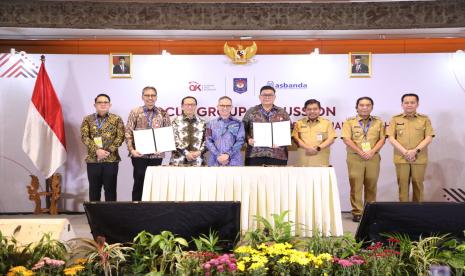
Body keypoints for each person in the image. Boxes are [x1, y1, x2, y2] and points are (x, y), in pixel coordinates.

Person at [342, 97, 385, 222]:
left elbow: (382, 139)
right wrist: (360, 151)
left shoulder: (379, 122)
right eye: (361, 105)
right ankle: (358, 212)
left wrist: (372, 151)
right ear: (357, 107)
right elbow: (347, 139)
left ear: (372, 107)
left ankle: (370, 211)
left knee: (371, 184)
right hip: (355, 157)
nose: (364, 107)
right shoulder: (349, 122)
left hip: (373, 157)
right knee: (356, 185)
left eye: (368, 105)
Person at [125, 86, 171, 201]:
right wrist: (131, 150)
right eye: (147, 95)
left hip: (157, 154)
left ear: (156, 97)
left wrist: (163, 147)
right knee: (139, 181)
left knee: (155, 184)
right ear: (142, 97)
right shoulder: (135, 112)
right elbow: (128, 132)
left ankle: (153, 211)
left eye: (153, 95)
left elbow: (168, 132)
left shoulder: (163, 112)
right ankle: (136, 209)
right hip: (139, 154)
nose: (150, 98)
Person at [387, 93, 434, 202]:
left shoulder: (424, 119)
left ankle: (417, 212)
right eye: (406, 102)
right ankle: (404, 212)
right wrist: (405, 152)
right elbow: (391, 138)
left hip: (419, 158)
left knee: (418, 185)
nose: (409, 105)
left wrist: (415, 151)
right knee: (402, 186)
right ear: (402, 104)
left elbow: (429, 137)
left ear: (417, 104)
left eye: (412, 102)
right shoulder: (395, 119)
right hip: (401, 158)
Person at [80, 93, 125, 201]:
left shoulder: (116, 119)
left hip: (111, 160)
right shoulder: (88, 119)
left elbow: (120, 137)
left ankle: (111, 216)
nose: (103, 104)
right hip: (93, 160)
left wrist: (107, 151)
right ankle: (95, 217)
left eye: (106, 102)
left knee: (110, 190)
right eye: (100, 102)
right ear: (95, 105)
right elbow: (84, 137)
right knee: (94, 191)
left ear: (110, 105)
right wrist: (97, 150)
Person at [242, 85, 291, 166]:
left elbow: (290, 129)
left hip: (277, 154)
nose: (267, 97)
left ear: (274, 97)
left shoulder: (282, 112)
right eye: (264, 95)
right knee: (253, 178)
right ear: (260, 97)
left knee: (276, 178)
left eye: (270, 95)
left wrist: (282, 141)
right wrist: (248, 139)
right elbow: (242, 129)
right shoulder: (251, 112)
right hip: (254, 155)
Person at [292, 99, 336, 167]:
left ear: (320, 109)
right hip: (303, 161)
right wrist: (307, 148)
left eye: (315, 109)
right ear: (305, 110)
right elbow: (296, 138)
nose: (312, 111)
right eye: (309, 109)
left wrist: (318, 148)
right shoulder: (299, 123)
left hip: (321, 160)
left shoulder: (327, 123)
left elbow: (331, 139)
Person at [206, 96, 245, 166]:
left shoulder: (239, 123)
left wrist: (228, 155)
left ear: (231, 107)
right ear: (217, 107)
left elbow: (240, 141)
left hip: (234, 161)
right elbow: (208, 141)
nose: (225, 108)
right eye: (222, 105)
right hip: (215, 161)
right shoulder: (210, 124)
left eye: (228, 105)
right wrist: (218, 155)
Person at [170, 96, 207, 166]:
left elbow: (207, 140)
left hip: (198, 161)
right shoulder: (175, 121)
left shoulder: (203, 122)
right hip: (178, 162)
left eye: (192, 105)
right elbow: (173, 140)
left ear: (196, 106)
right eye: (187, 104)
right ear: (182, 106)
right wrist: (186, 153)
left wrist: (199, 152)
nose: (190, 107)